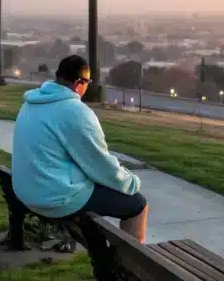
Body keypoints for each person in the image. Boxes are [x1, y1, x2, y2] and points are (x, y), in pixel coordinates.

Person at [11, 55, 149, 243]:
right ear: (79, 83)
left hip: (26, 191)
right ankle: (129, 267)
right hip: (55, 198)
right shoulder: (75, 111)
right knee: (137, 205)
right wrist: (131, 183)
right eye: (88, 83)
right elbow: (100, 164)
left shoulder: (31, 102)